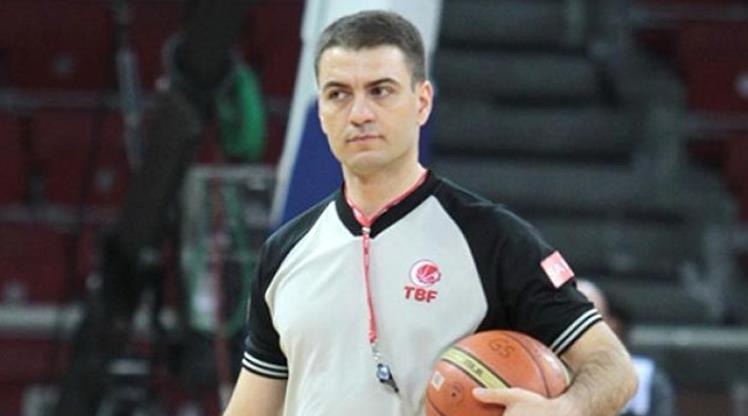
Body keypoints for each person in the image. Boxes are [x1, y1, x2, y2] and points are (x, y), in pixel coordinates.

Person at [223, 10, 637, 416]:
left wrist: (564, 409)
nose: (360, 113)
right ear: (321, 113)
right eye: (338, 94)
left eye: (380, 91)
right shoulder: (284, 252)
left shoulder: (492, 239)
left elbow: (614, 368)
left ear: (422, 102)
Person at [577, 279, 677, 416]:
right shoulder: (548, 376)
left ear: (611, 326)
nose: (577, 332)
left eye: (588, 321)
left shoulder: (645, 379)